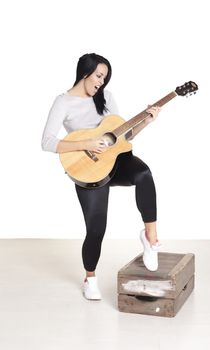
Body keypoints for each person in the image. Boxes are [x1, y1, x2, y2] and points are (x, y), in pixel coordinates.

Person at [41, 53, 161, 300]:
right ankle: (90, 277)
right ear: (84, 72)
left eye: (104, 78)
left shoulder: (106, 97)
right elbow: (47, 142)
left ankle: (151, 238)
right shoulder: (63, 102)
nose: (100, 82)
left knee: (144, 174)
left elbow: (122, 136)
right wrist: (88, 143)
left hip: (116, 160)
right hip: (88, 167)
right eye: (98, 76)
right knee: (96, 228)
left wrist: (146, 121)